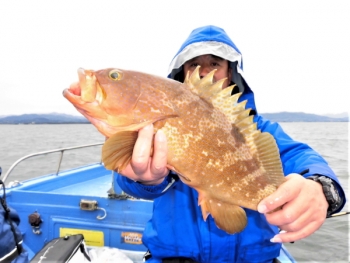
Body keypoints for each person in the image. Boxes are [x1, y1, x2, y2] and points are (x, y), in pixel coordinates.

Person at [116, 25, 346, 263]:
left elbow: (300, 155)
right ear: (182, 73)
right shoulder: (155, 123)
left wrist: (321, 187)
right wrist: (146, 180)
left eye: (215, 63)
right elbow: (124, 180)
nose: (204, 72)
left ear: (231, 72)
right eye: (194, 64)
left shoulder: (258, 129)